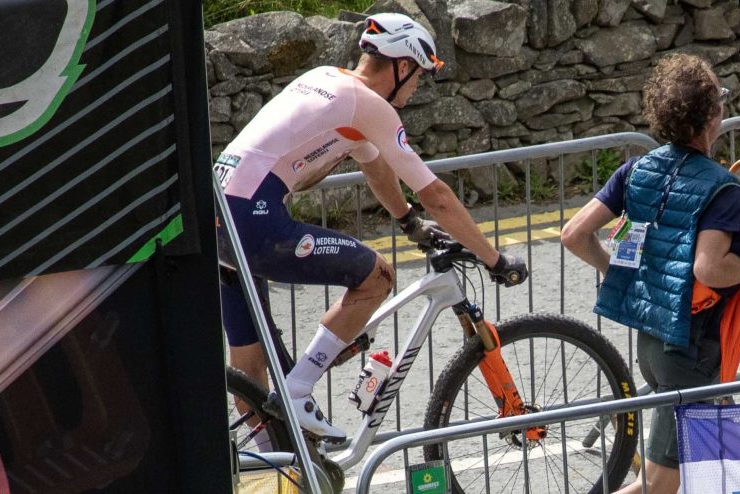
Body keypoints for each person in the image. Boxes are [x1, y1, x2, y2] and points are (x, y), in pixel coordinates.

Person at [215, 13, 528, 443]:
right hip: (252, 217)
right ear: (402, 67)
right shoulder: (370, 105)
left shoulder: (327, 80)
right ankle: (299, 389)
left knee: (250, 367)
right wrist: (494, 259)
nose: (417, 86)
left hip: (215, 213)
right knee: (376, 277)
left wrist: (409, 222)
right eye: (417, 74)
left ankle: (276, 467)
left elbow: (376, 166)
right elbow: (436, 193)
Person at [560, 53, 740, 494]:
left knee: (709, 463)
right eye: (722, 100)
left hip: (652, 344)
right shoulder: (721, 187)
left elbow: (575, 234)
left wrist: (619, 273)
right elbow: (709, 269)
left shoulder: (637, 169)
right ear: (712, 116)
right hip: (691, 354)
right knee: (656, 488)